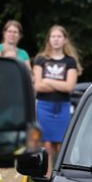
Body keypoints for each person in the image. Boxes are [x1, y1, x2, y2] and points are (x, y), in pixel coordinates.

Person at [33, 25, 80, 171]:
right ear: (49, 39)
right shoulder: (40, 60)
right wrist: (60, 84)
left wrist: (48, 81)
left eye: (59, 36)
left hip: (62, 107)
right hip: (44, 107)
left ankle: (60, 176)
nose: (56, 39)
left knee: (61, 144)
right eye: (53, 36)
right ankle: (47, 178)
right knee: (46, 145)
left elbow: (69, 87)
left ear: (65, 40)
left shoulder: (70, 61)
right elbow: (38, 86)